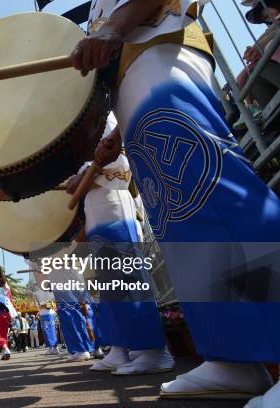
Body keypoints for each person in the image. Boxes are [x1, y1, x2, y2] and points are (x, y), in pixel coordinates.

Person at [71, 0, 280, 403]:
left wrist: (115, 25)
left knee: (214, 188)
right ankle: (234, 357)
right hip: (132, 80)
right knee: (182, 219)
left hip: (162, 53)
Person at [66, 113, 173, 373]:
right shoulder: (84, 121)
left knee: (126, 276)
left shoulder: (103, 115)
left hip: (113, 203)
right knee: (108, 282)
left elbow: (120, 163)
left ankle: (153, 350)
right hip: (97, 207)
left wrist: (84, 177)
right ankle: (119, 348)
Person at [0, 268, 18, 360]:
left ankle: (6, 350)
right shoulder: (8, 290)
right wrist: (1, 274)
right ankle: (4, 353)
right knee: (3, 334)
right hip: (7, 314)